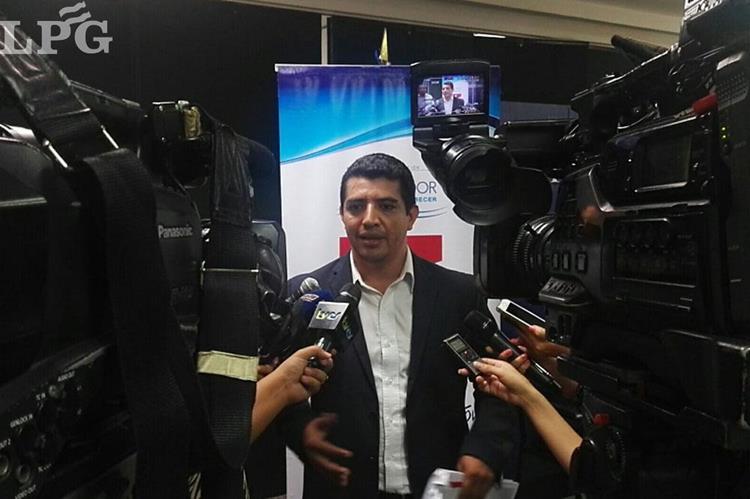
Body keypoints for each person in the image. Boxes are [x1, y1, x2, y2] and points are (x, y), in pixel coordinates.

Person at [279, 153, 518, 499]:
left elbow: (500, 383)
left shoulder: (461, 294)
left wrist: (485, 449)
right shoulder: (309, 295)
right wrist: (301, 430)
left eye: (387, 206)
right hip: (340, 487)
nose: (369, 219)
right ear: (342, 215)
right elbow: (276, 382)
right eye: (356, 207)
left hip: (438, 486)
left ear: (411, 216)